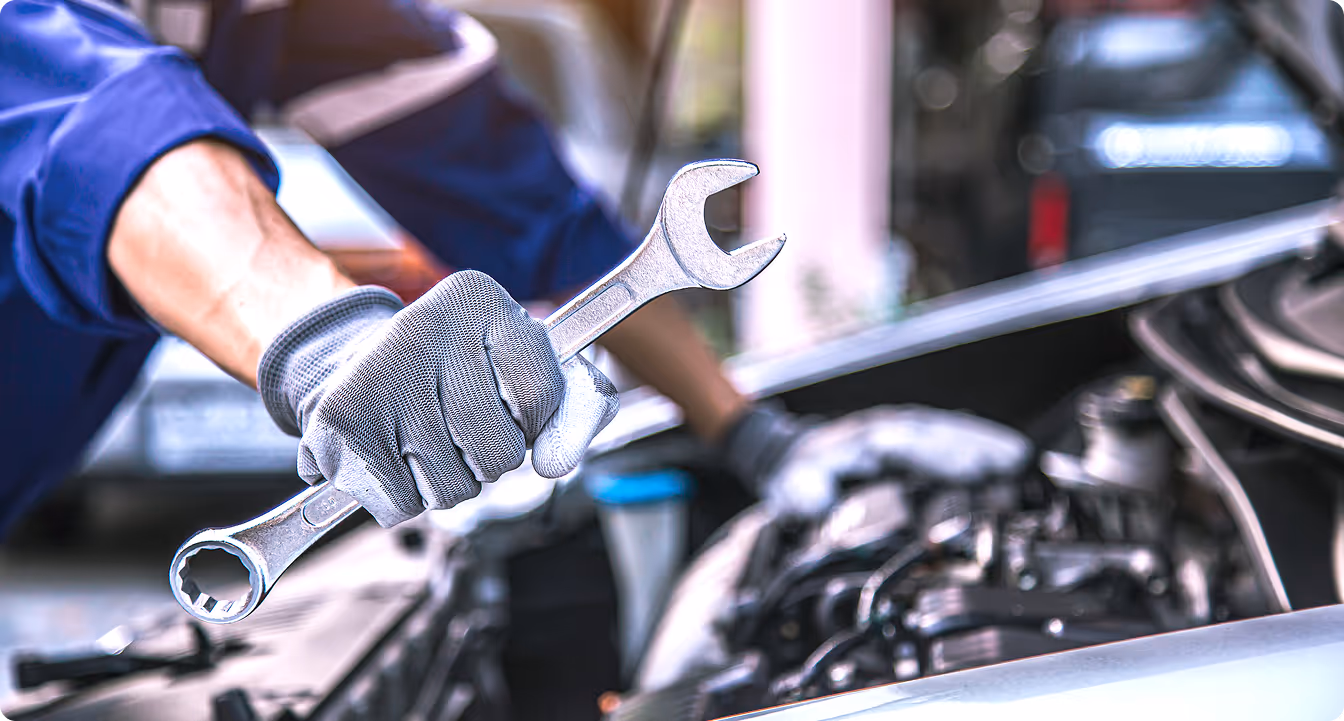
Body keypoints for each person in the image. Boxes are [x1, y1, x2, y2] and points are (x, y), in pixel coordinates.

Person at [0, 0, 1029, 535]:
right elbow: (101, 140)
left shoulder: (290, 20)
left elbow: (545, 220)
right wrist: (331, 349)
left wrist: (749, 434)